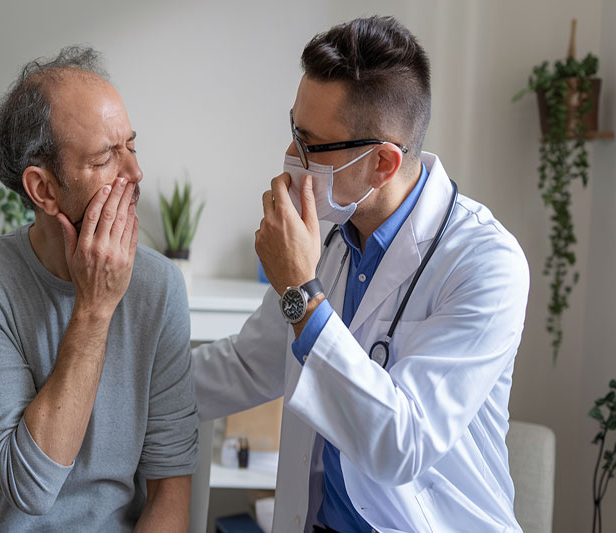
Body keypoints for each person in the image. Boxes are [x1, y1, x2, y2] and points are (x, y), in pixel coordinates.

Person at [193, 16, 528, 532]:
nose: (289, 159)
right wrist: (117, 389)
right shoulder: (330, 236)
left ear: (383, 165)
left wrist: (301, 293)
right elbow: (246, 365)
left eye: (310, 144)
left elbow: (401, 446)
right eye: (293, 132)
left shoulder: (485, 264)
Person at [0, 46, 198, 532]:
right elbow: (31, 485)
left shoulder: (159, 286)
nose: (135, 174)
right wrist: (95, 307)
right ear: (43, 190)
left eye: (131, 147)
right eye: (106, 158)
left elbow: (171, 490)